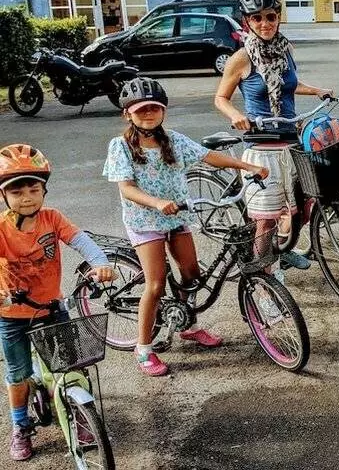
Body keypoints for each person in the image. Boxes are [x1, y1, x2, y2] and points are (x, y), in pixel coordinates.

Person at [103, 78, 268, 376]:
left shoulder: (174, 140)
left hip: (178, 217)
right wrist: (154, 202)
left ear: (163, 111)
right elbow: (126, 188)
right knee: (155, 284)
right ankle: (143, 348)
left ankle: (186, 325)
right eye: (141, 110)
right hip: (146, 221)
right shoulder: (121, 146)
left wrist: (248, 167)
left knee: (192, 274)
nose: (149, 114)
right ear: (128, 114)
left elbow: (209, 157)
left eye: (154, 109)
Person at [0, 144, 115, 461]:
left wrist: (100, 262)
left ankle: (79, 416)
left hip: (51, 309)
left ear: (44, 191)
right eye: (16, 190)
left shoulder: (53, 219)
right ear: (4, 196)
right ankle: (21, 425)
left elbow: (81, 241)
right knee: (19, 374)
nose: (26, 197)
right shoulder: (2, 229)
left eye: (33, 188)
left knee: (71, 368)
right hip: (11, 316)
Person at [214, 0, 334, 270]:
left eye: (270, 16)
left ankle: (282, 248)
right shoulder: (242, 58)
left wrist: (318, 91)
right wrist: (235, 115)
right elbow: (220, 98)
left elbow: (288, 86)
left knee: (301, 207)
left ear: (279, 17)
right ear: (248, 22)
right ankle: (263, 277)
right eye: (256, 18)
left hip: (290, 142)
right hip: (262, 146)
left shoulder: (285, 49)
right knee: (266, 220)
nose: (264, 24)